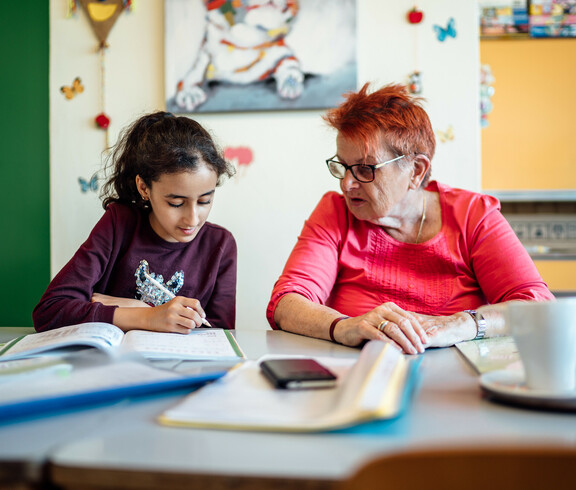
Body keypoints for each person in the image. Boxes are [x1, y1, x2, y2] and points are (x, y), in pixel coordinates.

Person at [266, 83, 554, 355]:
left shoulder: (472, 215)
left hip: (454, 382)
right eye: (343, 166)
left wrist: (461, 324)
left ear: (416, 170)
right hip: (358, 374)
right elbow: (286, 302)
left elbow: (537, 306)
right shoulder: (336, 212)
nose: (347, 184)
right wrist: (345, 326)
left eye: (365, 169)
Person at [34, 112, 237, 333]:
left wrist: (122, 305)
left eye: (205, 201)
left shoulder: (220, 245)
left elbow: (220, 337)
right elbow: (50, 311)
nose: (192, 219)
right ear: (143, 188)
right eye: (176, 203)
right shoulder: (118, 224)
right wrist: (147, 315)